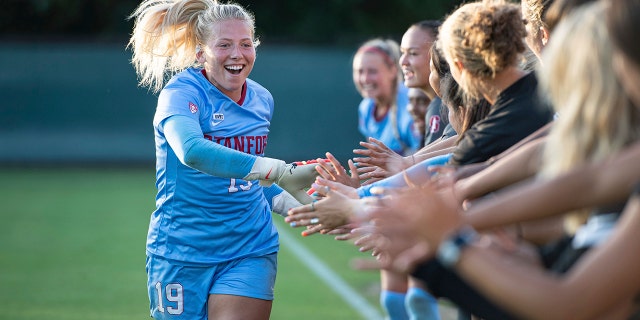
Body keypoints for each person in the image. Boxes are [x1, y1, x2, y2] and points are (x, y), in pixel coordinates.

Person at [358, 1, 640, 318]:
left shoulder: (526, 103)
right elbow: (581, 179)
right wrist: (461, 228)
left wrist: (451, 242)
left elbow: (568, 303)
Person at [127, 1, 320, 319]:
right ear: (201, 53)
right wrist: (277, 169)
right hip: (181, 251)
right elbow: (191, 151)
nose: (237, 54)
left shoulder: (261, 99)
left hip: (250, 247)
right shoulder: (181, 94)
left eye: (246, 44)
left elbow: (249, 178)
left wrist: (296, 206)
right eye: (224, 45)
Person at [353, 38, 421, 157]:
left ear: (393, 70)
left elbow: (424, 154)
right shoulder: (366, 108)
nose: (365, 79)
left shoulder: (412, 103)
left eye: (372, 71)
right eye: (359, 71)